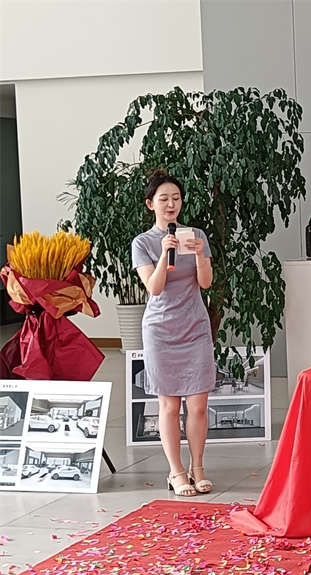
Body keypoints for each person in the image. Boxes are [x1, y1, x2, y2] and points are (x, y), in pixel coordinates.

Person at [132, 169, 215, 497]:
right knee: (169, 405)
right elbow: (154, 288)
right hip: (161, 331)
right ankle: (176, 471)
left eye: (176, 198)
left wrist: (199, 255)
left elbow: (205, 283)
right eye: (164, 199)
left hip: (195, 328)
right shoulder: (143, 243)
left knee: (198, 404)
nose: (171, 204)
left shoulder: (196, 235)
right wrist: (165, 253)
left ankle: (198, 468)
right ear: (150, 204)